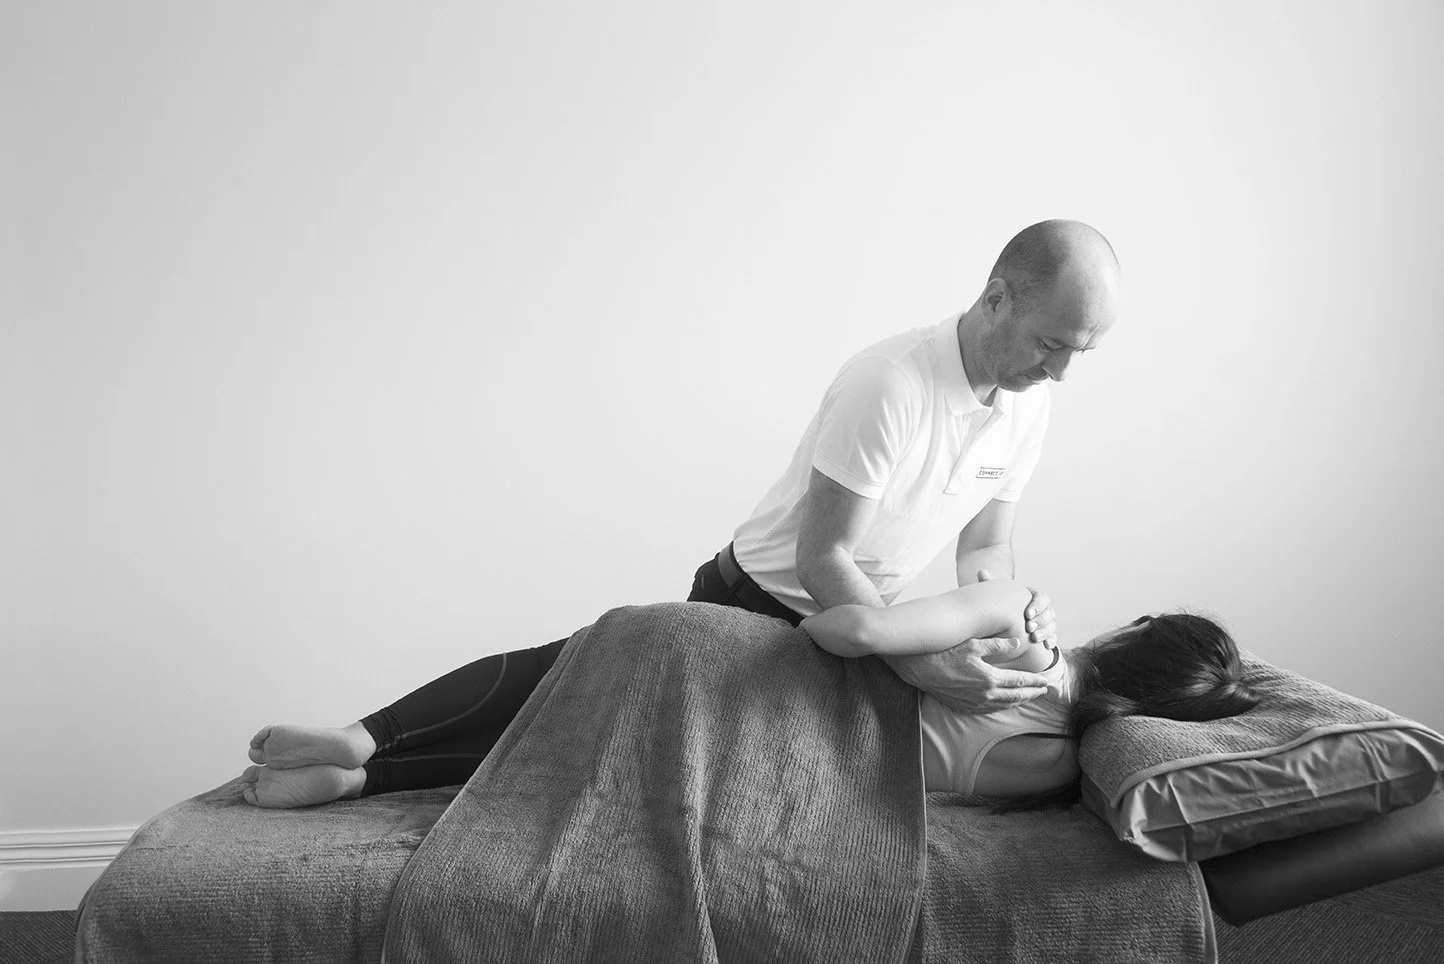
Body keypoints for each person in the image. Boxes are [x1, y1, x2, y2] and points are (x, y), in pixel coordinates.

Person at [239, 577, 1258, 808]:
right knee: (567, 749)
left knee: (563, 669)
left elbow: (845, 626)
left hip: (736, 667)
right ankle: (363, 784)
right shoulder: (1054, 769)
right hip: (757, 774)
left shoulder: (1008, 615)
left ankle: (368, 737)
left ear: (1129, 632)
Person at [687, 219, 1122, 717]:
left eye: (1080, 352)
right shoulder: (889, 384)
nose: (1060, 373)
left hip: (856, 632)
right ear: (996, 300)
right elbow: (824, 557)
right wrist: (918, 663)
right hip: (748, 609)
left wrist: (1011, 612)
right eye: (1049, 344)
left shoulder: (1029, 405)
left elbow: (985, 547)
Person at [800, 578, 1260, 798]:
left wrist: (802, 622)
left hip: (796, 703)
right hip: (825, 783)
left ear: (1133, 632)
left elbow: (858, 631)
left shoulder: (1022, 627)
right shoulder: (1064, 768)